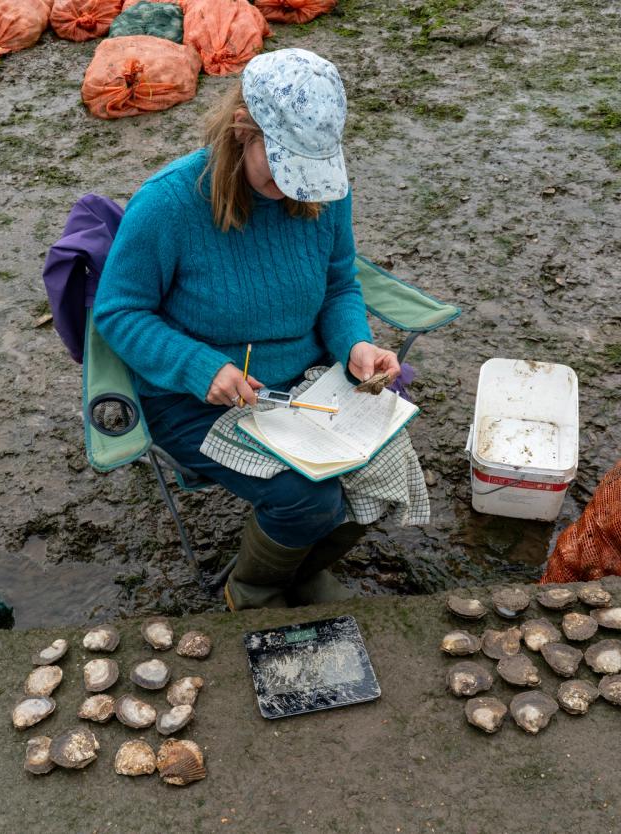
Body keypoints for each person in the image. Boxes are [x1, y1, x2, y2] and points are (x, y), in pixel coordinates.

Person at [94, 48, 401, 611]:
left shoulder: (322, 195)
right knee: (306, 499)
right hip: (199, 395)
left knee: (390, 467)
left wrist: (354, 343)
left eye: (308, 173)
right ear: (243, 130)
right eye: (283, 171)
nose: (296, 191)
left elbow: (338, 288)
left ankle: (300, 569)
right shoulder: (169, 203)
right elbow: (118, 312)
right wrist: (199, 367)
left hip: (306, 385)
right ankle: (254, 589)